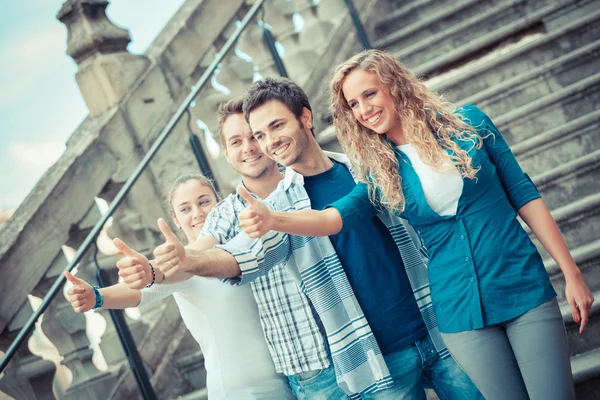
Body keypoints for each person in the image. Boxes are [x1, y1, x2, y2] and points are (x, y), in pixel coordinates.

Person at [237, 50, 595, 400]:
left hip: (522, 286)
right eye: (354, 104)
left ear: (394, 85)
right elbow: (332, 219)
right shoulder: (382, 172)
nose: (364, 109)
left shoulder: (469, 123)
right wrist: (274, 219)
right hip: (459, 311)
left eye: (370, 94)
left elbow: (523, 194)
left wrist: (571, 272)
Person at [152, 78, 482, 399]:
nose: (270, 141)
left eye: (277, 126)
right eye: (260, 135)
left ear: (305, 118)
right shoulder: (278, 207)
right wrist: (189, 260)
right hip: (378, 363)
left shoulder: (362, 170)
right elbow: (242, 257)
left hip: (440, 328)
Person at [64, 172, 295, 400]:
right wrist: (96, 296)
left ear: (220, 204)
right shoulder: (181, 265)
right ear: (175, 219)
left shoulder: (245, 245)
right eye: (185, 209)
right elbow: (140, 290)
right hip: (242, 391)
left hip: (291, 379)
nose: (198, 213)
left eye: (204, 202)